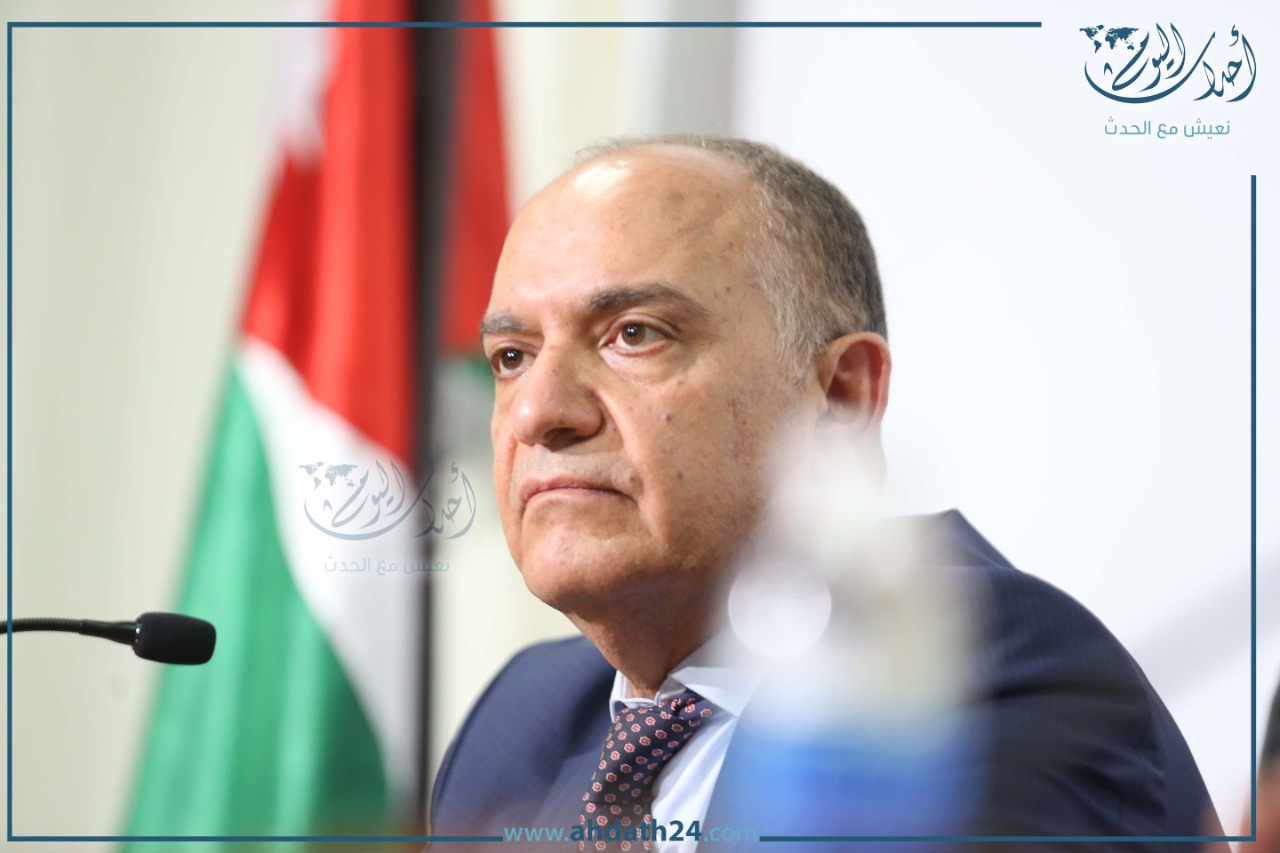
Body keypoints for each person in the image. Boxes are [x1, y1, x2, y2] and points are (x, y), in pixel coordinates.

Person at [428, 134, 1223, 850]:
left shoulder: (970, 667)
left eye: (635, 333)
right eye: (511, 357)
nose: (537, 412)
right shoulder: (520, 720)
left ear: (840, 398)